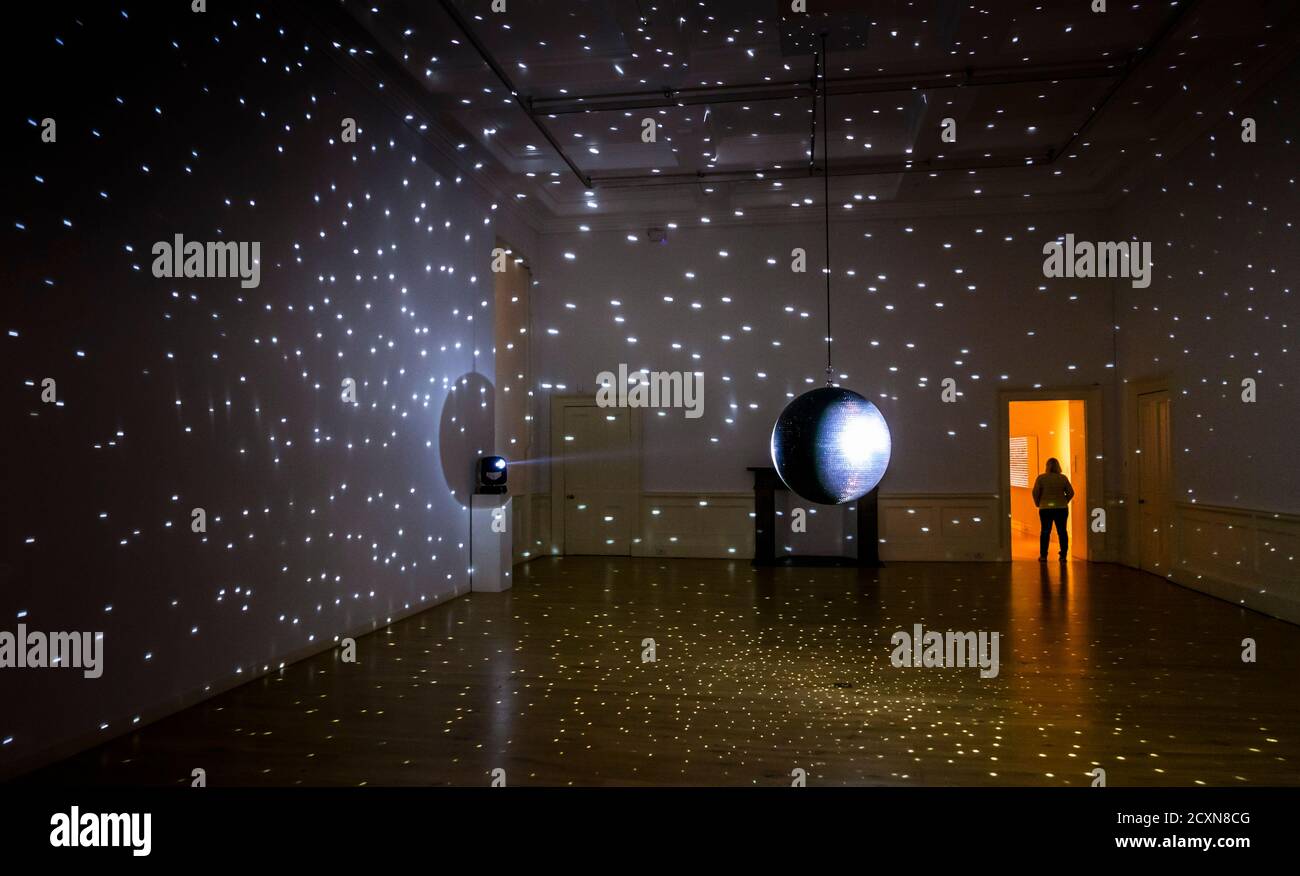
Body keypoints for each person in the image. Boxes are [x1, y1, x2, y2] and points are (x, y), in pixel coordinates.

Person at [1031, 458, 1075, 562]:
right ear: (1058, 466)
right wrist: (1064, 501)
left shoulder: (1041, 478)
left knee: (1045, 532)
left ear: (1047, 466)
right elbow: (1071, 492)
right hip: (1061, 508)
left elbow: (1035, 492)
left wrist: (1038, 503)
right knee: (1062, 532)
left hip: (1045, 508)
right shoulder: (1063, 478)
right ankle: (1063, 555)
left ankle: (1043, 556)